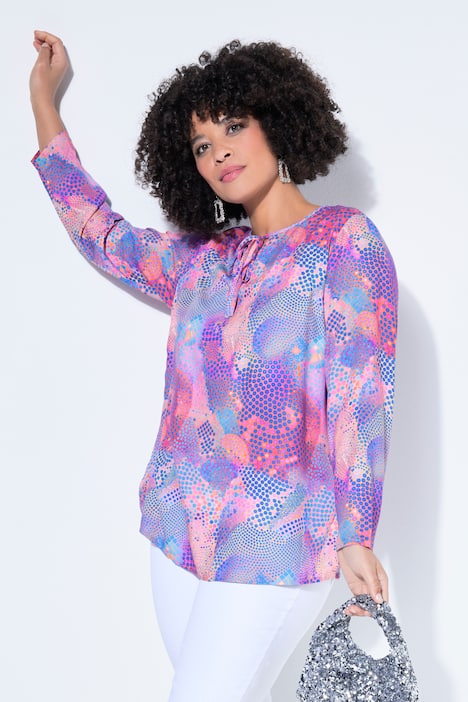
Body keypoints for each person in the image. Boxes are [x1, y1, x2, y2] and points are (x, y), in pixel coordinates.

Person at [30, 30, 399, 702]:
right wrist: (43, 103)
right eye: (201, 144)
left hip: (278, 541)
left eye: (233, 126)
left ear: (277, 123)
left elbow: (362, 396)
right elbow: (100, 231)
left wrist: (356, 532)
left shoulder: (343, 241)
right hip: (178, 529)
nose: (219, 150)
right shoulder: (201, 258)